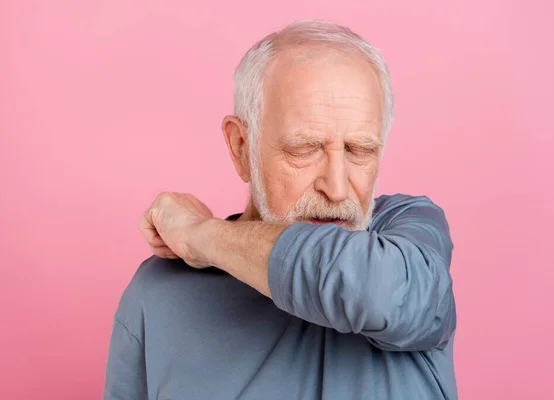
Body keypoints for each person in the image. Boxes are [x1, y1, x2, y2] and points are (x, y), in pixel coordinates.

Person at [103, 20, 457, 400]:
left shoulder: (408, 233)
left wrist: (198, 234)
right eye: (304, 149)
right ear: (242, 147)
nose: (337, 189)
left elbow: (378, 293)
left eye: (360, 151)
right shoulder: (158, 295)